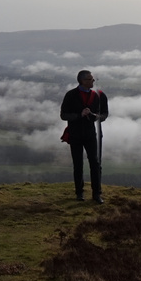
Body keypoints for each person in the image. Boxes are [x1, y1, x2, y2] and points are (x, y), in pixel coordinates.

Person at [60, 69, 110, 203]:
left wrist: (95, 116)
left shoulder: (99, 96)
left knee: (95, 163)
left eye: (92, 79)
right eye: (90, 79)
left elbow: (104, 115)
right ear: (82, 81)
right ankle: (79, 193)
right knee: (78, 164)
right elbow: (63, 115)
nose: (93, 81)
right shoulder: (71, 95)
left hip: (90, 134)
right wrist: (79, 115)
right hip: (75, 134)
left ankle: (96, 194)